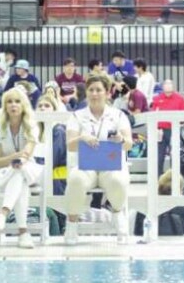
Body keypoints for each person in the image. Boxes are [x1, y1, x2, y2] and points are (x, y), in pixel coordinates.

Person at [63, 74, 132, 245]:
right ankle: (71, 224)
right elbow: (69, 145)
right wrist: (82, 138)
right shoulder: (77, 116)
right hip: (86, 166)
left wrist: (120, 140)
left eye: (99, 90)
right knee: (75, 179)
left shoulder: (118, 115)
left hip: (111, 165)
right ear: (86, 92)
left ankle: (118, 215)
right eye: (91, 90)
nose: (95, 94)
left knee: (118, 180)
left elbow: (129, 143)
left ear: (107, 93)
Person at [0, 87, 41, 248]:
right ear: (5, 106)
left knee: (20, 172)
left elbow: (27, 154)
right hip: (4, 171)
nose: (13, 105)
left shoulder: (32, 126)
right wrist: (14, 158)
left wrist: (18, 159)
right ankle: (23, 233)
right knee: (19, 177)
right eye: (9, 102)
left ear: (24, 105)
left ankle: (3, 213)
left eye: (17, 101)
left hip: (28, 169)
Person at [151, 79, 184, 176]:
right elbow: (153, 114)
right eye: (166, 84)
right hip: (160, 131)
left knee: (175, 155)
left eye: (169, 84)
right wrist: (157, 128)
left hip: (174, 130)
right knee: (159, 156)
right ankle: (158, 178)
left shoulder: (179, 99)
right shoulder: (157, 99)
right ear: (163, 87)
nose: (168, 86)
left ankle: (175, 177)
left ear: (173, 87)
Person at [36, 95, 67, 195]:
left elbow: (52, 160)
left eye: (47, 106)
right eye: (40, 106)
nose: (42, 108)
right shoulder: (40, 132)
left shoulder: (58, 131)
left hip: (58, 179)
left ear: (54, 110)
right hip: (45, 172)